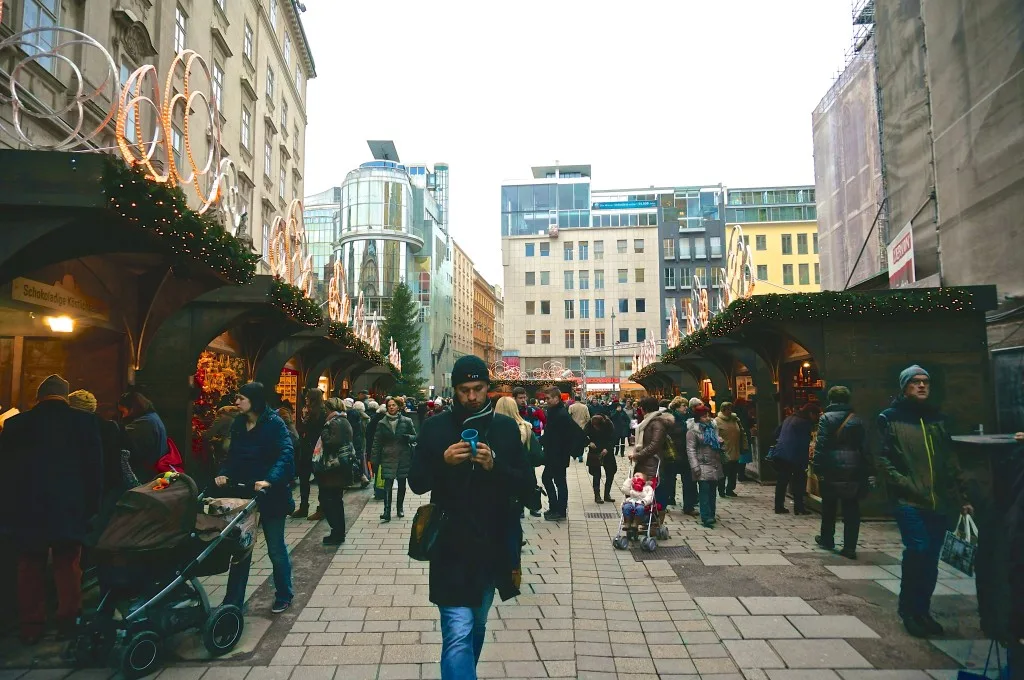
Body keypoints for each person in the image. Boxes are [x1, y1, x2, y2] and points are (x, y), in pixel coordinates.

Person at [408, 356, 534, 680]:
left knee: (476, 624)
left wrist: (496, 465)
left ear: (488, 388)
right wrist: (442, 461)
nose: (472, 397)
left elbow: (528, 486)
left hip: (492, 543)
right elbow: (417, 482)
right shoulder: (436, 427)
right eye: (465, 390)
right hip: (449, 544)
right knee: (457, 631)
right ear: (455, 390)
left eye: (478, 389)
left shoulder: (505, 429)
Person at [0, 375, 103, 644]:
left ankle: (31, 625)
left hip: (27, 505)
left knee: (29, 564)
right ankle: (68, 620)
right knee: (68, 563)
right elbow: (94, 469)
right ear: (66, 396)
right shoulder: (84, 422)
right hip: (68, 504)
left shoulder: (15, 424)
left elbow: (6, 470)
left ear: (39, 396)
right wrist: (91, 505)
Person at [877, 365, 972, 638]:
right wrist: (904, 482)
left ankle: (923, 610)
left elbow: (950, 460)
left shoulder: (937, 419)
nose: (921, 386)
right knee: (918, 549)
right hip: (908, 499)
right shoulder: (890, 418)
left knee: (930, 558)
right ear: (904, 386)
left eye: (925, 382)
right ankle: (908, 610)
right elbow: (881, 458)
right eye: (915, 382)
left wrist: (962, 496)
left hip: (938, 500)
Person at [216, 382, 295, 614]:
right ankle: (233, 601)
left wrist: (270, 480)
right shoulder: (239, 423)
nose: (237, 402)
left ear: (254, 400)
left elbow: (286, 453)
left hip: (270, 494)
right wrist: (223, 474)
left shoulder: (274, 423)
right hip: (244, 493)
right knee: (241, 549)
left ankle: (284, 593)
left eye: (241, 398)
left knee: (275, 548)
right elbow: (234, 455)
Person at [813, 386, 872, 560]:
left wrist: (818, 467)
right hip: (854, 467)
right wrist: (869, 468)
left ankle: (827, 539)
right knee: (851, 507)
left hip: (831, 466)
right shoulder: (857, 419)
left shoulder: (826, 418)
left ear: (830, 399)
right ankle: (850, 547)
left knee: (829, 505)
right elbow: (865, 447)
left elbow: (821, 445)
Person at [541, 387, 584, 520]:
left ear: (557, 398)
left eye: (548, 398)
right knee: (554, 480)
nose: (546, 400)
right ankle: (556, 508)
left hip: (557, 455)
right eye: (545, 398)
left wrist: (539, 441)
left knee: (556, 481)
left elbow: (555, 436)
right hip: (555, 454)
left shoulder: (560, 414)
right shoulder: (555, 412)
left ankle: (558, 510)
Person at [371, 396, 417, 522]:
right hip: (388, 455)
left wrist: (409, 437)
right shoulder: (382, 423)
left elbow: (415, 436)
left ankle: (399, 508)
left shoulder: (406, 421)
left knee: (402, 483)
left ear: (398, 407)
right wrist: (374, 459)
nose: (391, 407)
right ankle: (386, 511)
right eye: (389, 405)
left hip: (403, 455)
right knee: (388, 483)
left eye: (393, 405)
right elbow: (377, 441)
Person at [771, 403, 821, 515]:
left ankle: (778, 506)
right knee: (799, 481)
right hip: (794, 456)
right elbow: (803, 444)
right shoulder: (804, 423)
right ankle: (799, 507)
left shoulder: (789, 418)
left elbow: (775, 433)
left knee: (782, 482)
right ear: (811, 413)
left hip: (781, 453)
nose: (817, 418)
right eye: (817, 415)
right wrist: (805, 461)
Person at [317, 398, 354, 545]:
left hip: (334, 468)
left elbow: (333, 442)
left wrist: (324, 432)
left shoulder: (335, 422)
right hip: (338, 468)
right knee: (335, 501)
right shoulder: (342, 420)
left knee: (331, 501)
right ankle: (338, 532)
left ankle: (337, 533)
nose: (324, 411)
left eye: (326, 408)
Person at [686, 404, 725, 528]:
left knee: (713, 491)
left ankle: (712, 514)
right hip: (702, 463)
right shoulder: (693, 431)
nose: (707, 418)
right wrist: (695, 466)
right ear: (698, 418)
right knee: (704, 491)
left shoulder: (713, 428)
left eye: (708, 415)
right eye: (704, 416)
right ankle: (706, 516)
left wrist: (721, 443)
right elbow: (690, 449)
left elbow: (718, 447)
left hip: (714, 464)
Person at [118, 391, 169, 480]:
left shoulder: (144, 423)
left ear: (132, 408)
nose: (123, 416)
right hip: (154, 471)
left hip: (146, 475)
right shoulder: (152, 417)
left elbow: (121, 438)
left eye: (123, 411)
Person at [294, 388, 326, 520]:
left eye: (308, 397)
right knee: (304, 478)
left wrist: (305, 420)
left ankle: (321, 508)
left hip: (316, 449)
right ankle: (303, 506)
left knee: (320, 479)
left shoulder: (321, 413)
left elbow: (314, 431)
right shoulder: (308, 411)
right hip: (306, 449)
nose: (305, 399)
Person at [715, 402, 748, 498]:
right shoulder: (717, 421)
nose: (730, 411)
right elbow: (714, 435)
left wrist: (744, 446)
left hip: (735, 449)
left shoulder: (735, 420)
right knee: (724, 472)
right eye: (728, 409)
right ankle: (721, 490)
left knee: (733, 472)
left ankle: (730, 489)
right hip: (724, 450)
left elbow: (743, 433)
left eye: (731, 409)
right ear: (723, 410)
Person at [584, 414, 618, 503]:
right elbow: (583, 435)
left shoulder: (608, 424)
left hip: (607, 450)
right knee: (596, 474)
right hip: (594, 450)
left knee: (610, 472)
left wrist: (607, 448)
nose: (595, 428)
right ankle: (597, 495)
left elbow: (613, 438)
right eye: (594, 426)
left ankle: (607, 494)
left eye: (597, 426)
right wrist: (589, 442)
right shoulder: (589, 424)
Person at [349, 400, 371, 487]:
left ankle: (354, 478)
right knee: (361, 458)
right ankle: (363, 475)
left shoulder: (351, 415)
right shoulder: (366, 418)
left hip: (353, 439)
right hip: (362, 440)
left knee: (352, 458)